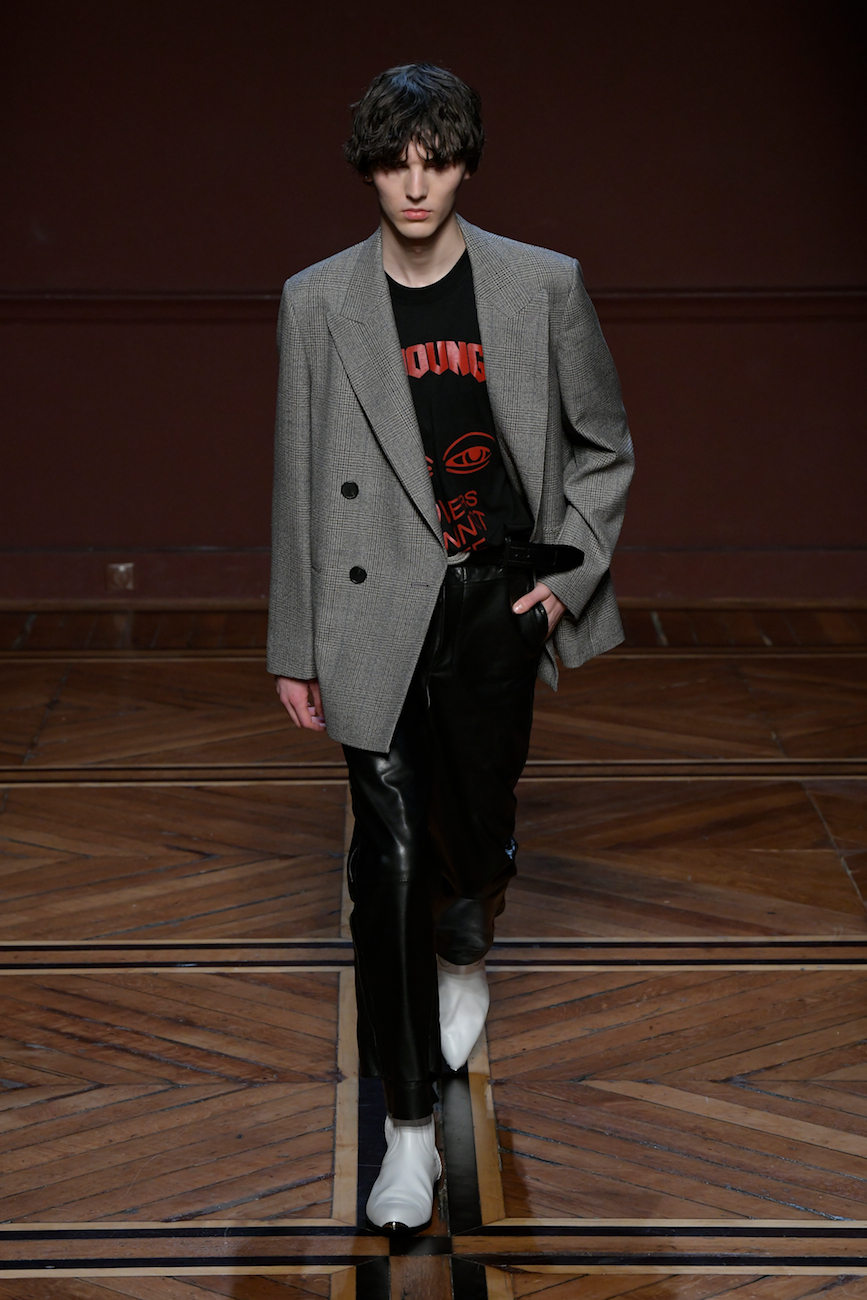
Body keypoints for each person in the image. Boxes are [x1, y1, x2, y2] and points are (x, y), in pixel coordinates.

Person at [268, 63, 633, 1233]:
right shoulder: (316, 300)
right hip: (370, 609)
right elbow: (296, 479)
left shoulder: (541, 285)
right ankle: (411, 1132)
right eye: (394, 162)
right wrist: (294, 640)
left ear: (467, 163)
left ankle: (469, 932)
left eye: (436, 161)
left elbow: (604, 446)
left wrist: (559, 587)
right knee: (385, 865)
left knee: (469, 830)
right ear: (369, 171)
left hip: (495, 600)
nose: (416, 186)